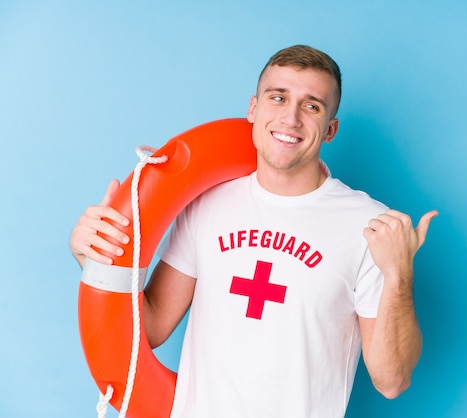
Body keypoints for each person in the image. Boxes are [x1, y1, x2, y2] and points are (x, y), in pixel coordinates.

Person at [70, 44, 438, 417]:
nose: (290, 118)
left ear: (330, 129)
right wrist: (94, 260)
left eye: (311, 106)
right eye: (278, 98)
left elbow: (392, 381)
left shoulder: (368, 225)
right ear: (253, 109)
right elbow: (149, 328)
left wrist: (399, 274)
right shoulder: (206, 203)